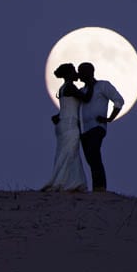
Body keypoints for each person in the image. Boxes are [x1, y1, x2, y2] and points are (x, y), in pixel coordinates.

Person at [42, 63, 91, 192]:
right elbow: (86, 98)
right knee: (69, 153)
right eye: (74, 71)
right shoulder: (70, 87)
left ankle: (73, 182)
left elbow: (66, 108)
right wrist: (90, 83)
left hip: (64, 124)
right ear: (69, 74)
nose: (76, 73)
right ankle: (61, 182)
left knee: (69, 152)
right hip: (70, 125)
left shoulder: (63, 88)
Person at [76, 62, 124, 193]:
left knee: (94, 153)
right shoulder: (82, 91)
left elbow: (119, 100)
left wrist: (109, 118)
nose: (79, 74)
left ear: (90, 72)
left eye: (81, 71)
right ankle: (96, 187)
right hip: (84, 130)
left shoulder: (103, 85)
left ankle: (100, 187)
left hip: (97, 127)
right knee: (90, 158)